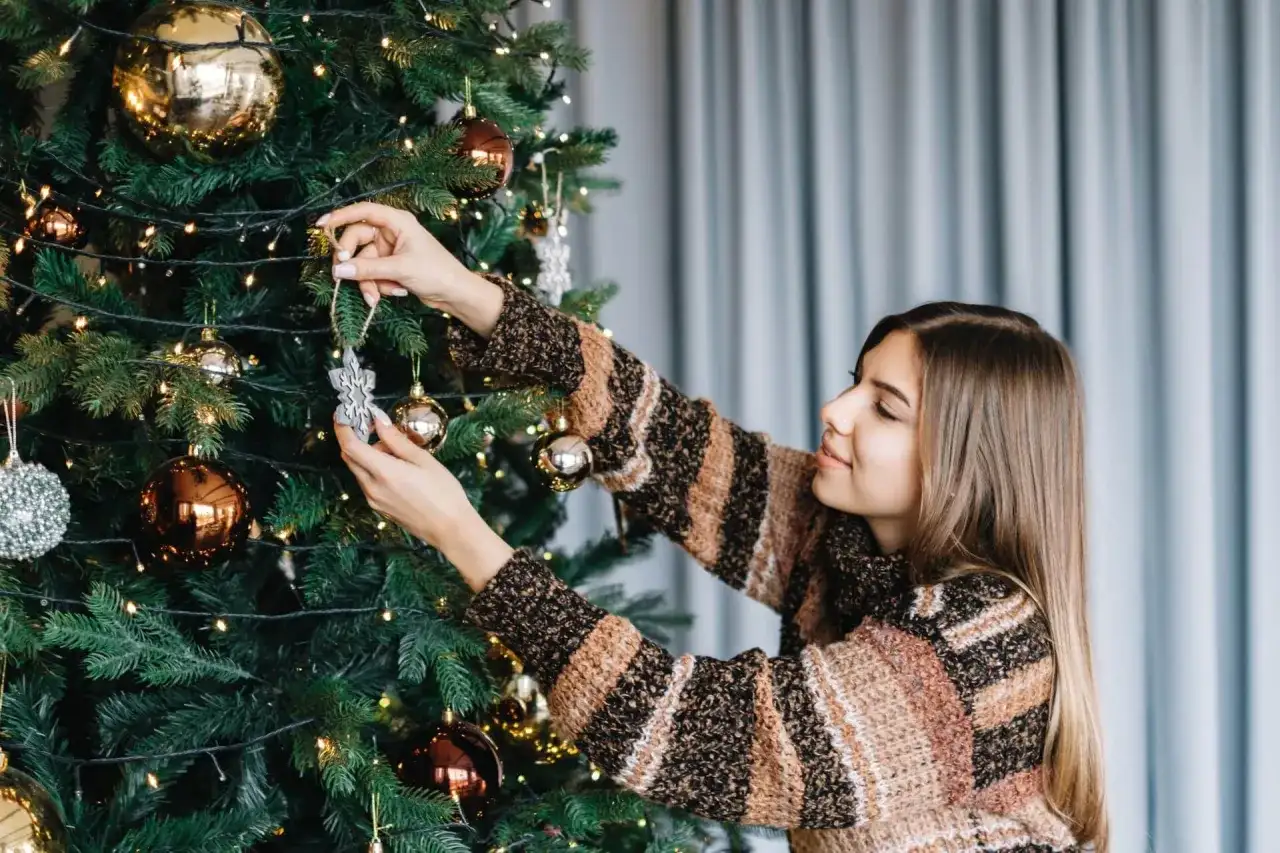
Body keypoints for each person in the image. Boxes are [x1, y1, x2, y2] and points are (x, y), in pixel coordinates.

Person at [319, 201, 1109, 853]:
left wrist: (461, 534)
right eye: (854, 384)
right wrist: (461, 289)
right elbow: (674, 448)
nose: (835, 411)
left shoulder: (973, 648)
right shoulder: (855, 540)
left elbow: (704, 733)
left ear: (967, 462)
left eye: (885, 408)